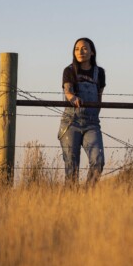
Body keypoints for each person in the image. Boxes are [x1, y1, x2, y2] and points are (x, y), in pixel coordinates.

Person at [58, 37, 106, 185]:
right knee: (72, 167)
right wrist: (73, 98)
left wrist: (95, 112)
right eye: (77, 49)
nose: (81, 52)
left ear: (92, 52)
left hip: (92, 123)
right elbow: (68, 91)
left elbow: (99, 96)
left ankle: (88, 195)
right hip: (71, 122)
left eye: (85, 48)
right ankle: (72, 200)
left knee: (98, 161)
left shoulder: (100, 73)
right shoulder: (69, 70)